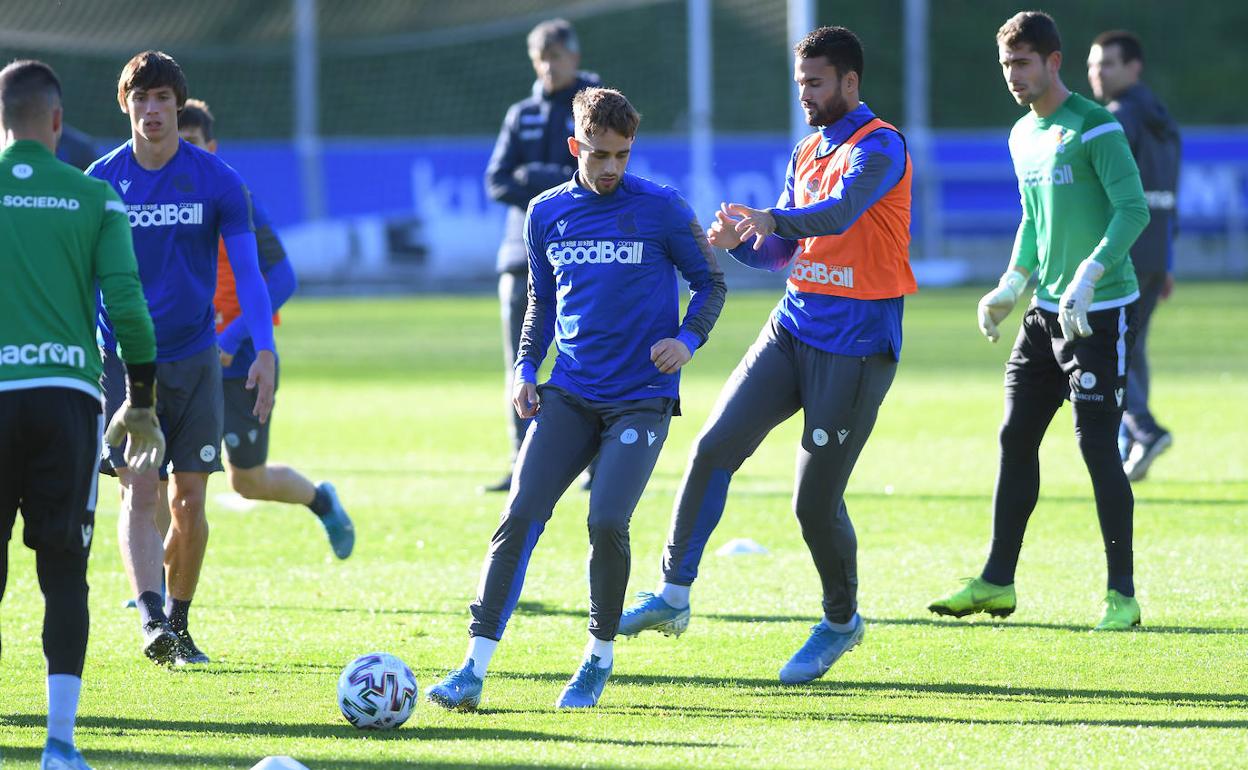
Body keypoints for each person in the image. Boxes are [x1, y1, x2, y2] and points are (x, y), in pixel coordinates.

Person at [618, 26, 916, 685]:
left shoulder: (883, 147)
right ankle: (672, 595)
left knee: (812, 504)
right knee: (712, 447)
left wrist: (773, 219)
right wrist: (742, 241)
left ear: (850, 83)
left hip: (858, 345)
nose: (804, 95)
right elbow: (786, 253)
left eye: (815, 83)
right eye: (799, 83)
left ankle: (841, 622)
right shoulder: (807, 150)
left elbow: (840, 216)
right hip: (793, 325)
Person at [426, 87, 726, 710]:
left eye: (621, 154)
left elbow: (710, 283)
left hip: (642, 397)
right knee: (518, 517)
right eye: (598, 154)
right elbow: (539, 302)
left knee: (607, 520)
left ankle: (597, 657)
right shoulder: (544, 213)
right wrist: (524, 369)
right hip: (571, 392)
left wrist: (687, 340)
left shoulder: (664, 208)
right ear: (575, 147)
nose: (611, 167)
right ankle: (472, 670)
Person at [927, 11, 1150, 631]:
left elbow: (1133, 211)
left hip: (1097, 318)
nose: (1013, 77)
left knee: (1097, 447)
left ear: (1054, 61)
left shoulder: (1096, 127)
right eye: (1006, 66)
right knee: (1014, 438)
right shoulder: (1021, 136)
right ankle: (997, 582)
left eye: (1023, 63)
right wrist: (1010, 285)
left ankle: (1122, 597)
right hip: (1042, 316)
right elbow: (1033, 221)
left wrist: (1091, 274)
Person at [89, 50, 278, 667]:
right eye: (141, 98)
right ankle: (149, 618)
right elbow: (78, 277)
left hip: (197, 360)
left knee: (188, 500)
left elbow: (250, 274)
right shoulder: (100, 183)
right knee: (139, 490)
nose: (152, 110)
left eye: (163, 98)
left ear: (177, 105)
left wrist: (264, 348)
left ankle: (179, 621)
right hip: (126, 363)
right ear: (126, 106)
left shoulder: (217, 180)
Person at [0, 59, 161, 770]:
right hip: (68, 402)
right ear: (58, 122)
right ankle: (59, 745)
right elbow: (127, 305)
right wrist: (145, 403)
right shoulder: (94, 198)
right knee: (63, 572)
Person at [177, 99, 354, 559]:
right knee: (164, 478)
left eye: (192, 143)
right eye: (176, 144)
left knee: (247, 481)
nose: (183, 152)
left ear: (211, 147)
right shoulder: (154, 201)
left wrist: (233, 338)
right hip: (177, 358)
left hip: (238, 363)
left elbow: (283, 278)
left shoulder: (236, 197)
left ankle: (322, 501)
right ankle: (152, 592)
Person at [482, 18, 599, 493]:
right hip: (522, 252)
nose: (549, 67)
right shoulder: (521, 114)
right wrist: (549, 183)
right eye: (541, 58)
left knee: (592, 347)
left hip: (590, 248)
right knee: (521, 358)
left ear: (574, 56)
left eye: (556, 57)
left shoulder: (597, 104)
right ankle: (522, 459)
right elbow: (496, 181)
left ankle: (597, 456)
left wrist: (538, 177)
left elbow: (602, 168)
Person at [1087, 30, 1181, 481]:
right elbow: (1170, 190)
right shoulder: (1162, 116)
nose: (1096, 73)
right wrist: (1168, 258)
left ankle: (1143, 430)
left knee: (1107, 349)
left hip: (1124, 248)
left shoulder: (1118, 118)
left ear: (1132, 67)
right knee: (1132, 346)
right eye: (1093, 64)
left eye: (1107, 64)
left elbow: (1108, 192)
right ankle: (1132, 446)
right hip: (1155, 248)